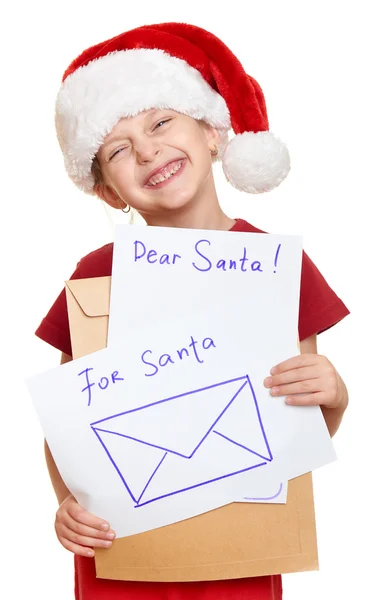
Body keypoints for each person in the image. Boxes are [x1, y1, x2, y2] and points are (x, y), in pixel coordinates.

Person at [35, 22, 349, 600]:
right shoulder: (94, 276)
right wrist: (66, 504)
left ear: (212, 132)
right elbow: (67, 424)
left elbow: (301, 424)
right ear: (107, 189)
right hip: (125, 555)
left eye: (160, 122)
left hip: (242, 551)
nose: (148, 150)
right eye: (118, 150)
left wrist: (333, 393)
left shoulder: (275, 268)